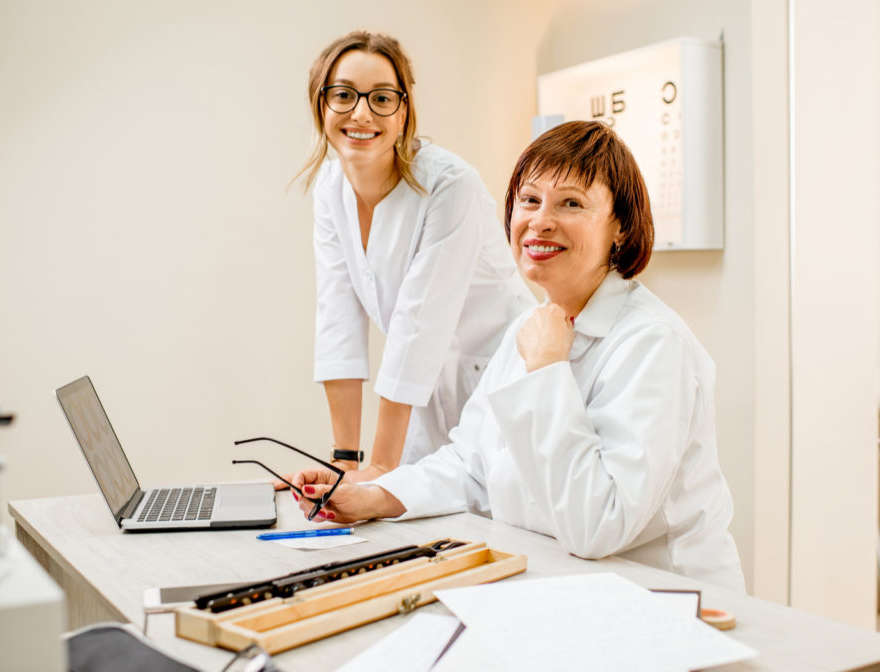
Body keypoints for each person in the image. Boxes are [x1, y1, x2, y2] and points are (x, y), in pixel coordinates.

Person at [292, 121, 745, 592]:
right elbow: (471, 466)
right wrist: (373, 496)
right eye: (529, 200)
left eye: (571, 203)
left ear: (621, 228)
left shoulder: (653, 343)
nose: (541, 220)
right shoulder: (530, 328)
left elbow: (599, 524)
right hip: (559, 590)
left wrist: (548, 371)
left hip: (666, 607)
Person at [295, 31, 534, 481]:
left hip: (503, 380)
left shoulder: (449, 184)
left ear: (403, 112)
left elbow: (416, 324)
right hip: (421, 393)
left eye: (382, 98)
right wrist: (346, 461)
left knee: (496, 516)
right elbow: (337, 319)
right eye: (343, 95)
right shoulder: (330, 188)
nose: (361, 113)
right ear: (320, 104)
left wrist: (382, 465)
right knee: (418, 518)